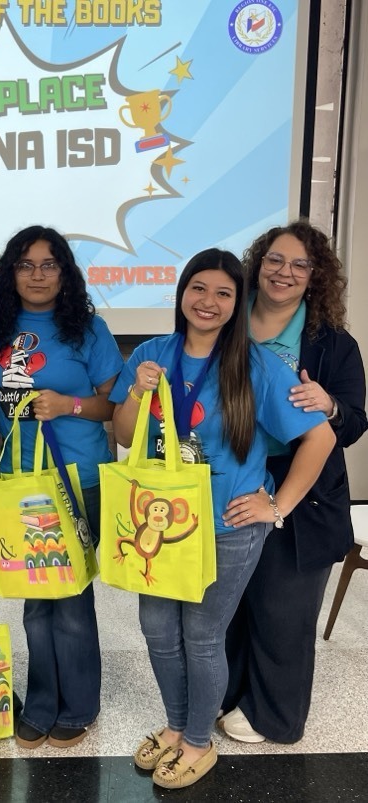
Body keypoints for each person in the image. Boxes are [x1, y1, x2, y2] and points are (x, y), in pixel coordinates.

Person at [110, 248, 336, 789]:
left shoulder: (257, 364)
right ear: (181, 293)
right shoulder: (152, 353)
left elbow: (320, 436)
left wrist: (276, 506)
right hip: (160, 527)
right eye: (198, 289)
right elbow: (121, 435)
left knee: (203, 635)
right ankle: (175, 725)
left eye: (224, 293)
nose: (208, 302)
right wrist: (139, 393)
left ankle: (196, 741)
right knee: (157, 629)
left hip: (229, 526)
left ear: (238, 304)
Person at [220, 220, 367, 744]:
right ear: (258, 265)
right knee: (233, 602)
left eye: (299, 265)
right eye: (275, 260)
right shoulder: (226, 323)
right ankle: (231, 693)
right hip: (234, 478)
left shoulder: (332, 345)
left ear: (314, 277)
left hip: (300, 494)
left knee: (284, 609)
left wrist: (329, 405)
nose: (285, 272)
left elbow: (352, 421)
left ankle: (274, 716)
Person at [0, 226, 122, 748]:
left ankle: (80, 703)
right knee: (34, 599)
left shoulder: (88, 328)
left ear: (65, 272)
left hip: (78, 479)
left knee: (72, 596)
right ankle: (41, 701)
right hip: (17, 482)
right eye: (25, 264)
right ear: (10, 273)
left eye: (49, 264)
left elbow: (117, 405)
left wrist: (69, 405)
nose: (37, 275)